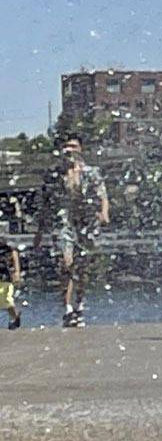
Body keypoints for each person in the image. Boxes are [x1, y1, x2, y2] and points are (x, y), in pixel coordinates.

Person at [36, 134, 110, 329]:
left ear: (80, 149)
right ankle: (67, 309)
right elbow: (45, 204)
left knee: (82, 268)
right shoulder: (54, 174)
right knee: (66, 263)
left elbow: (103, 196)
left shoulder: (91, 172)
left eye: (73, 146)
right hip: (63, 223)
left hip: (86, 222)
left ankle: (80, 304)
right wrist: (39, 232)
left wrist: (104, 213)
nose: (69, 150)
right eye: (66, 146)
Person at [1, 229, 22, 329]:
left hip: (6, 276)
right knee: (5, 301)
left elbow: (15, 256)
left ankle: (15, 317)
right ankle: (14, 317)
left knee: (7, 299)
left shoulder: (8, 247)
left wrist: (17, 272)